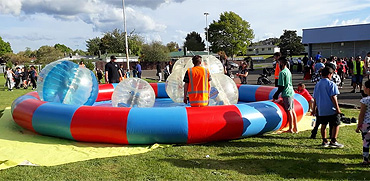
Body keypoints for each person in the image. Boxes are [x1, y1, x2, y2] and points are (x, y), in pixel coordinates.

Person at [312, 66, 343, 148]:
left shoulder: (317, 84)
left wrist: (314, 109)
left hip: (321, 109)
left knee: (323, 125)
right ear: (330, 74)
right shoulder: (331, 84)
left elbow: (314, 98)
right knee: (336, 124)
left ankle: (324, 141)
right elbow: (334, 97)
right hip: (331, 108)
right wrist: (337, 109)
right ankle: (333, 140)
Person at [273, 57, 298, 133]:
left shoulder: (282, 73)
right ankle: (295, 128)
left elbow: (281, 86)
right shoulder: (288, 71)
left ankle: (291, 129)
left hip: (286, 93)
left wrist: (276, 95)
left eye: (279, 63)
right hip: (291, 91)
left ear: (282, 63)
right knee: (292, 110)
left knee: (289, 110)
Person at [357, 80, 370, 165]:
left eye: (364, 87)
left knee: (366, 142)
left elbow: (362, 114)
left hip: (366, 124)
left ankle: (365, 159)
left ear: (368, 89)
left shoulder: (365, 100)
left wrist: (359, 125)